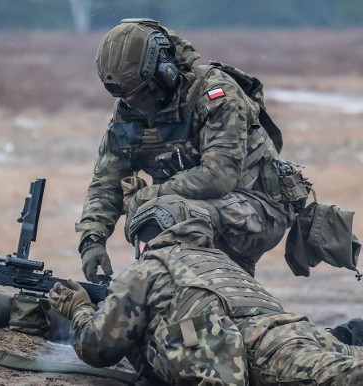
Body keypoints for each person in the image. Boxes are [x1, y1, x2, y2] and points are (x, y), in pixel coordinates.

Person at [76, 18, 303, 282]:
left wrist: (148, 195)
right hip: (200, 211)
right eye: (127, 97)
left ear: (164, 71)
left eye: (141, 94)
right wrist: (92, 239)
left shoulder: (216, 93)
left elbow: (218, 176)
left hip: (259, 211)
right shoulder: (129, 111)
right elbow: (107, 180)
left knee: (162, 214)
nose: (134, 104)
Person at [52, 196, 363, 385]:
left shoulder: (149, 266)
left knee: (346, 376)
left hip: (265, 351)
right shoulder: (220, 260)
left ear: (146, 236)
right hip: (303, 331)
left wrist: (78, 307)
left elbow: (97, 347)